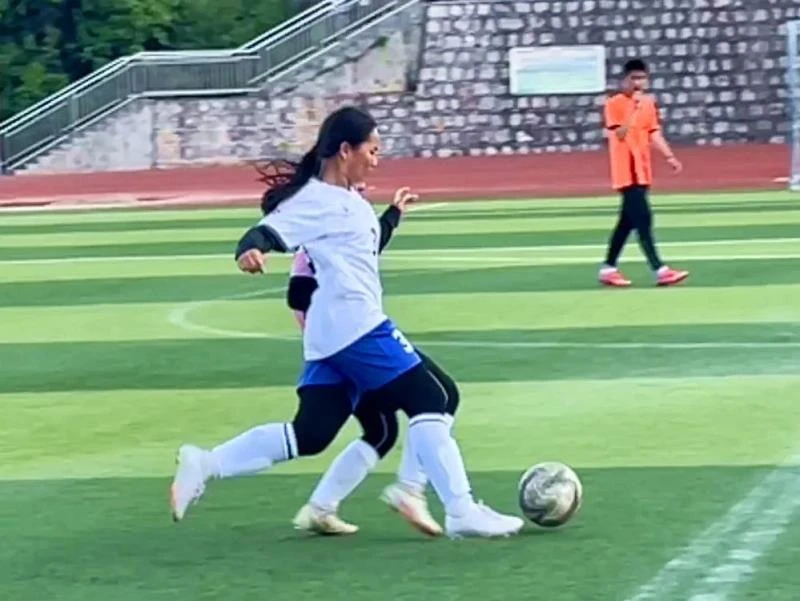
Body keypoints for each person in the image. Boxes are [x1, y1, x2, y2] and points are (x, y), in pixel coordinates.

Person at [170, 106, 523, 539]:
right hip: (356, 326)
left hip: (330, 335)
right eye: (372, 151)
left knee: (311, 434)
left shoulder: (350, 200)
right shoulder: (315, 200)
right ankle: (458, 509)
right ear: (345, 150)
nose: (377, 160)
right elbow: (263, 232)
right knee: (433, 398)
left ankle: (206, 463)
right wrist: (249, 250)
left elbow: (365, 246)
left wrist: (393, 215)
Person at [599, 58, 689, 288]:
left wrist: (669, 156)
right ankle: (660, 269)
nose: (638, 82)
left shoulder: (648, 104)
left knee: (627, 222)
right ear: (625, 80)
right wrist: (633, 109)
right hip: (626, 171)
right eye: (634, 78)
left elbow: (653, 133)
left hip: (642, 169)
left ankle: (608, 268)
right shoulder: (615, 104)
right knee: (643, 219)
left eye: (642, 78)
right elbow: (619, 134)